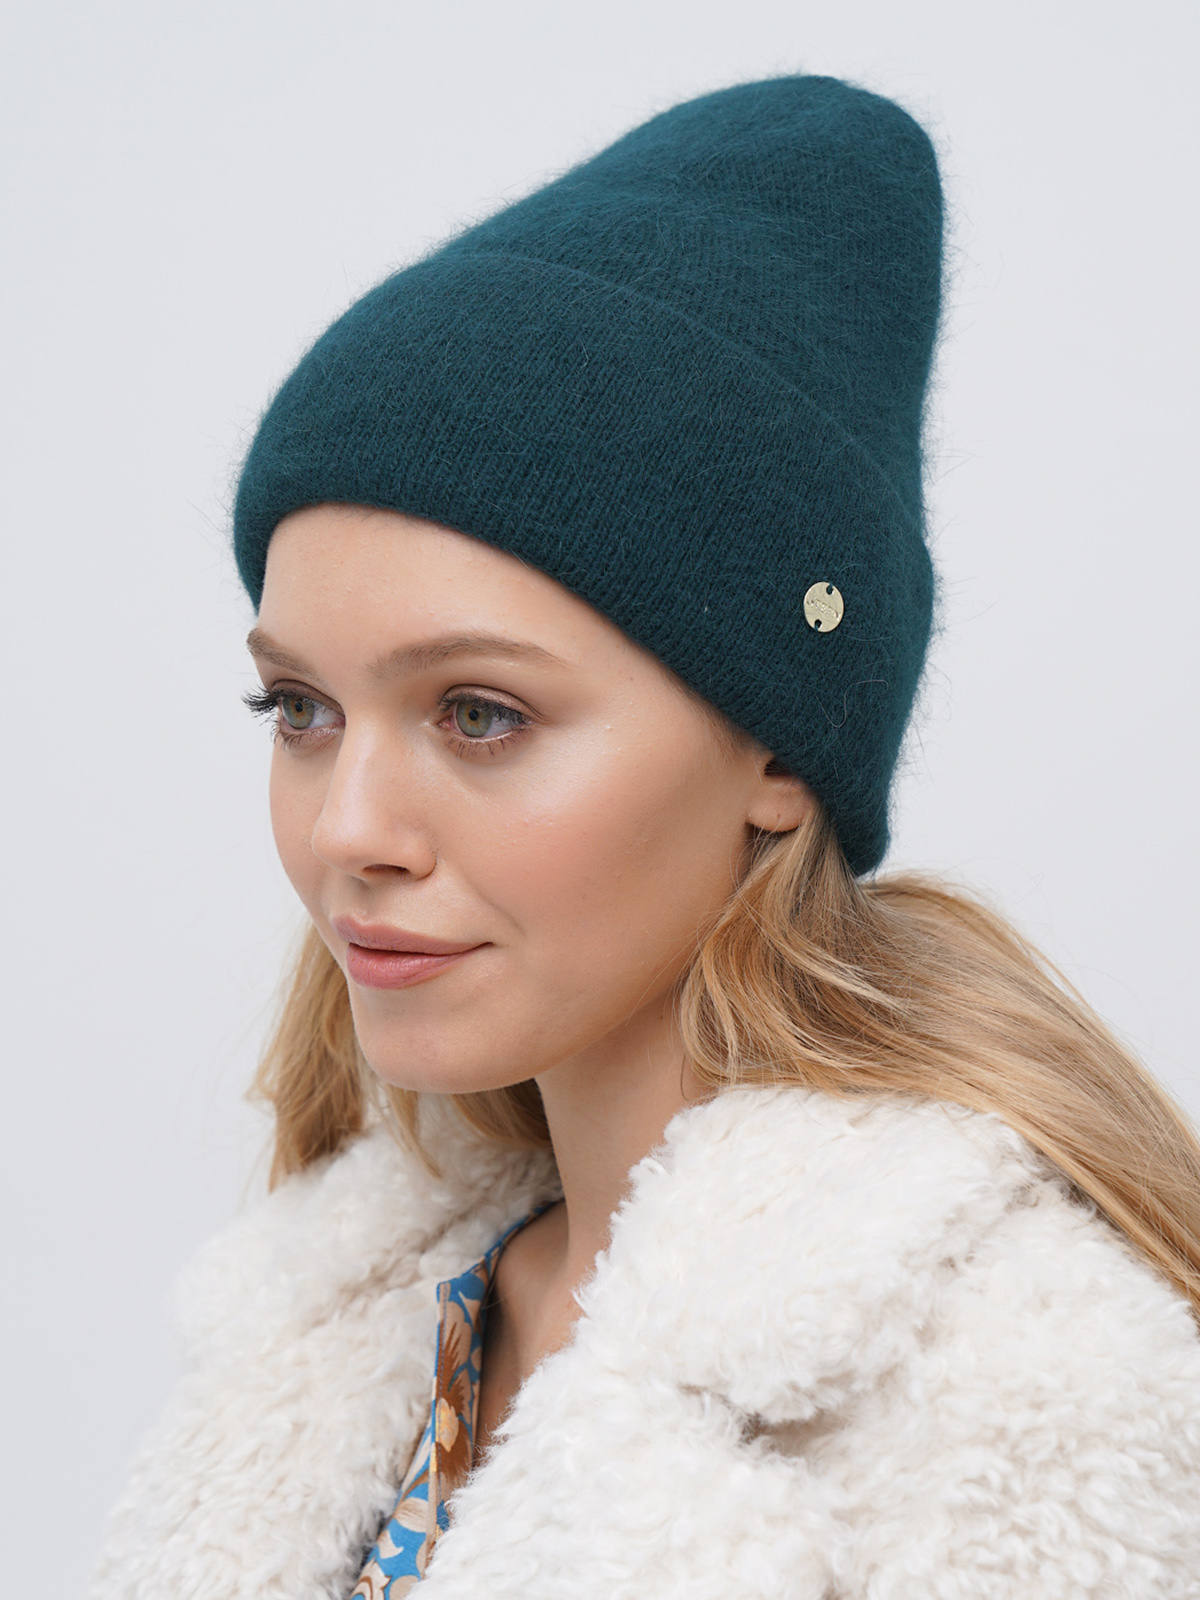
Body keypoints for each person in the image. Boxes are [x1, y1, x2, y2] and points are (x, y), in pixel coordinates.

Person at [88, 75, 1200, 1600]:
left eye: (480, 714)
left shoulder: (1027, 1406)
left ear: (777, 752)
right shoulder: (345, 1334)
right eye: (300, 709)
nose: (348, 829)